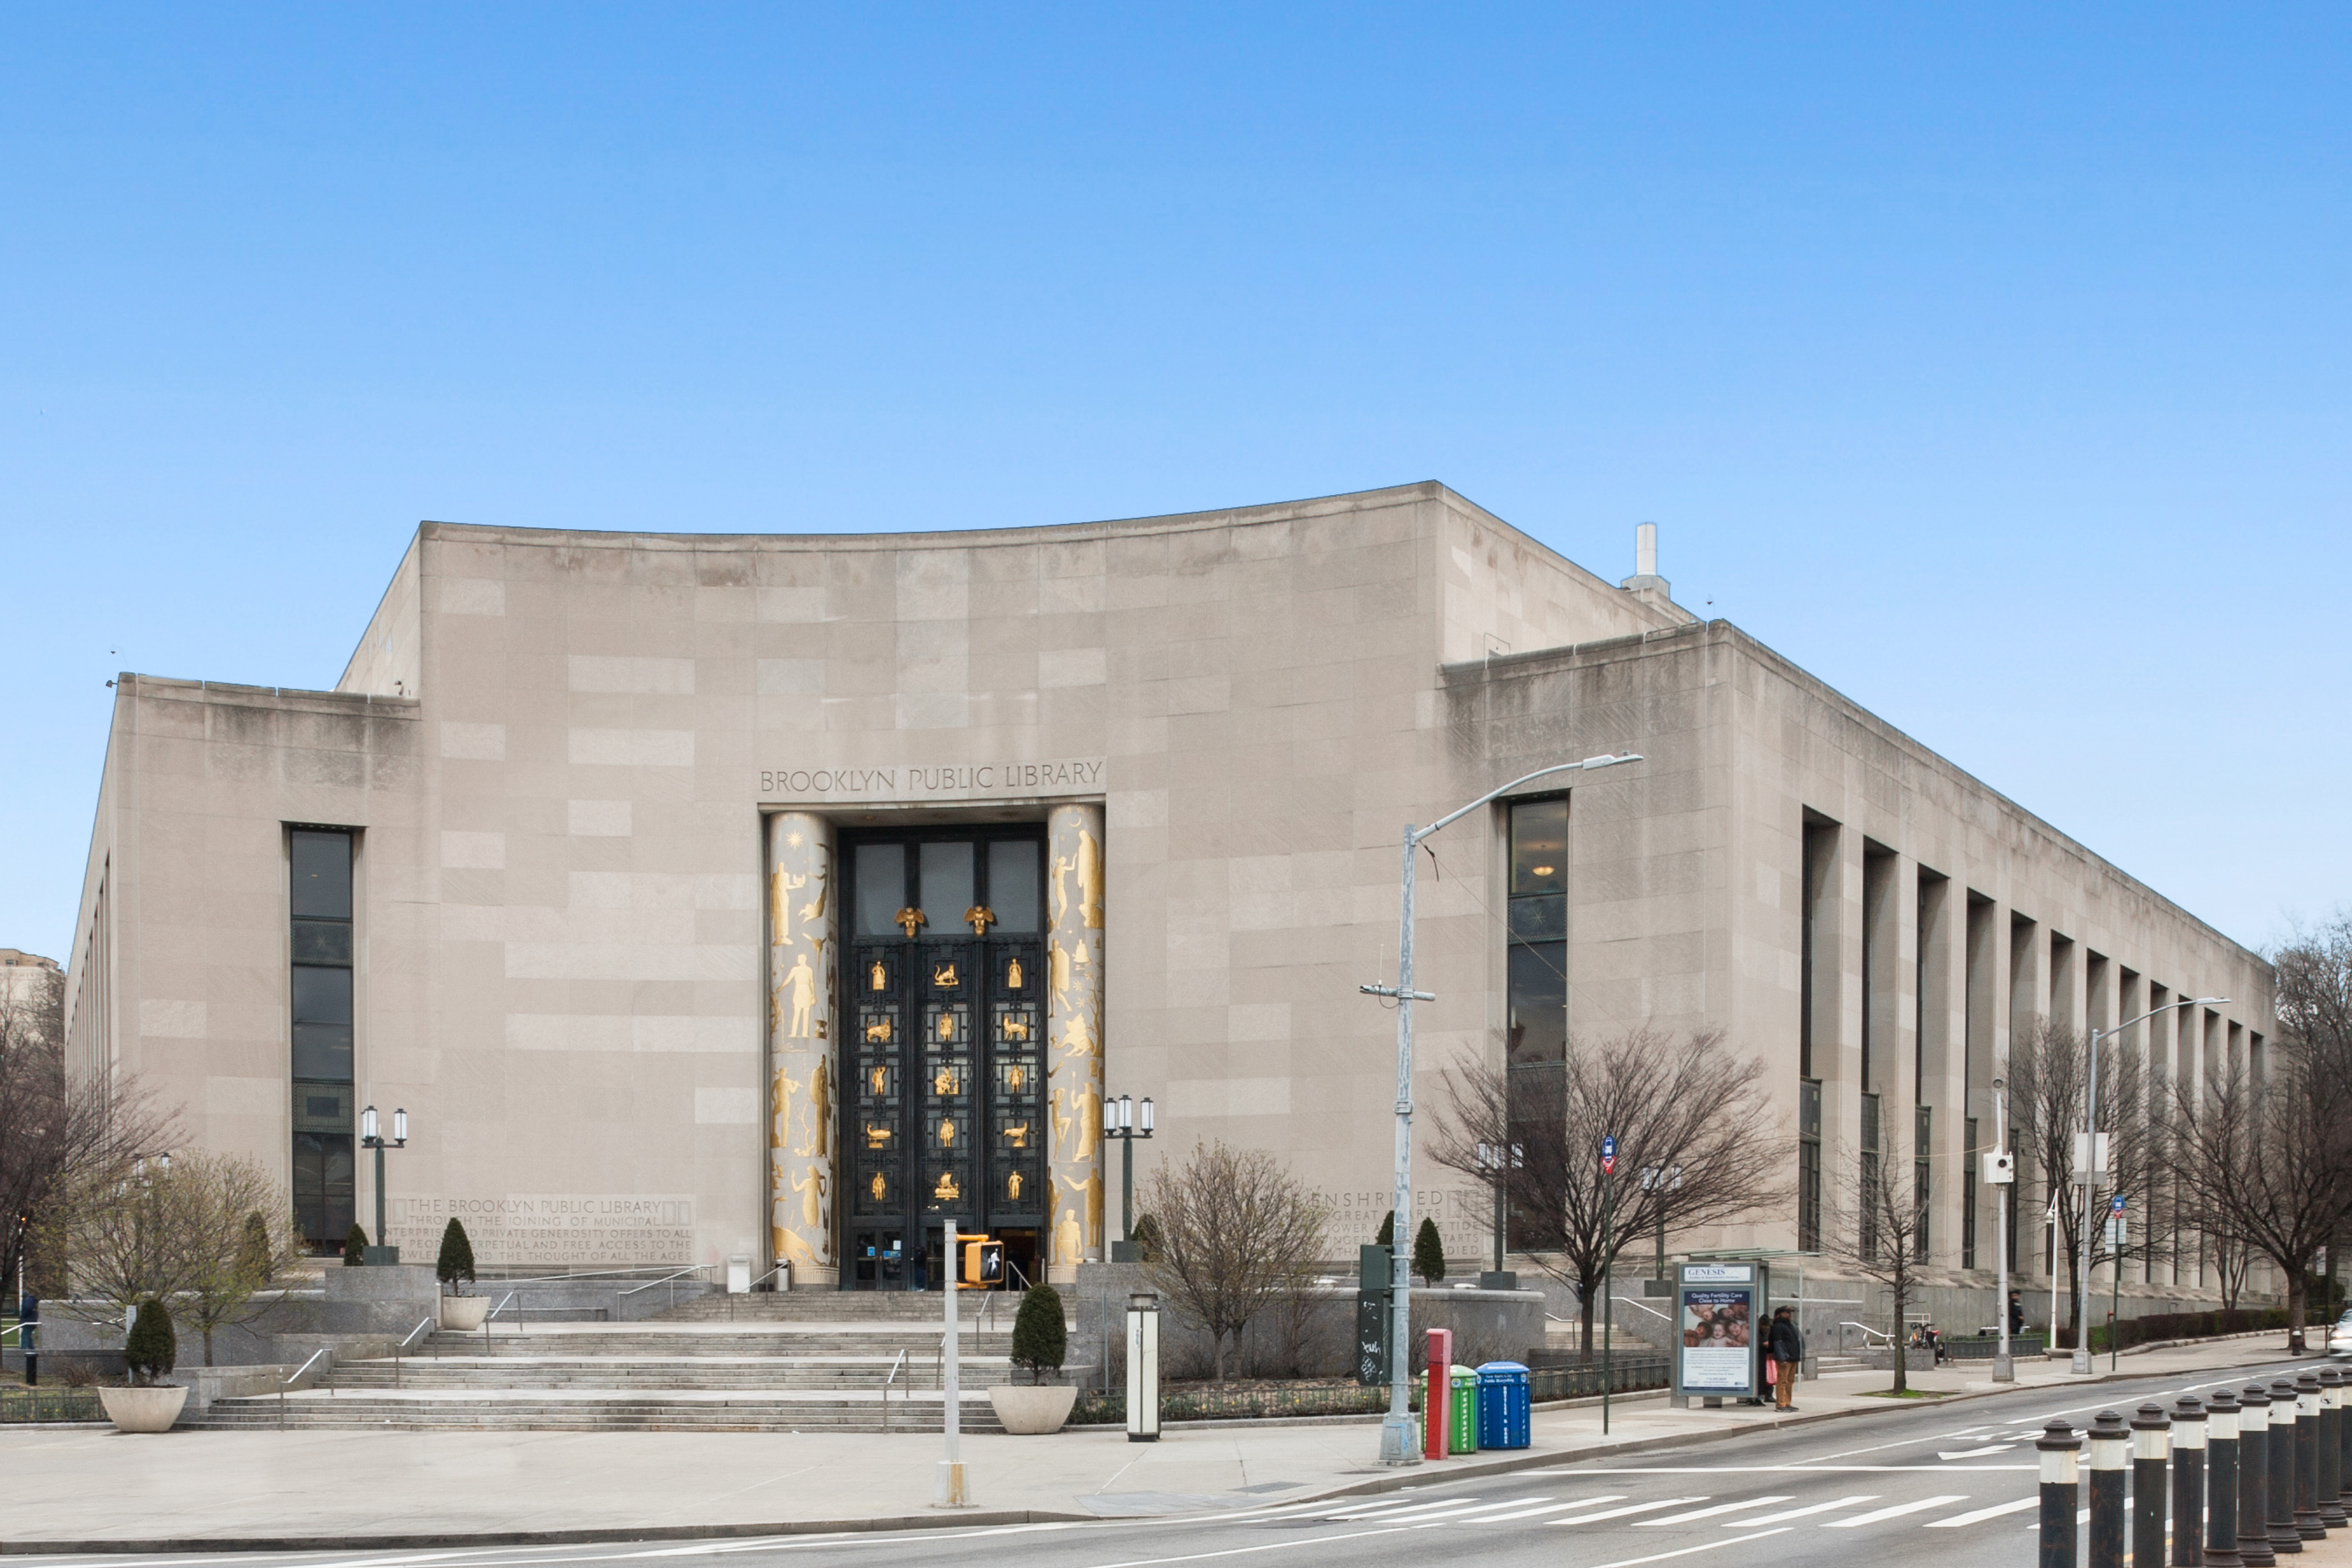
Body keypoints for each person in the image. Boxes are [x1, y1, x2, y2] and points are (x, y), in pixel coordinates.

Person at [1768, 1305, 1804, 1412]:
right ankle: (1781, 1404)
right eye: (1786, 1313)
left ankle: (1787, 1402)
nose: (1789, 1315)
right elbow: (1778, 1343)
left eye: (1790, 1313)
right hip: (1785, 1358)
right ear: (1780, 1314)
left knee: (1790, 1382)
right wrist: (1782, 1357)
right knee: (1782, 1381)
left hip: (1792, 1357)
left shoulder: (1790, 1326)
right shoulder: (1778, 1326)